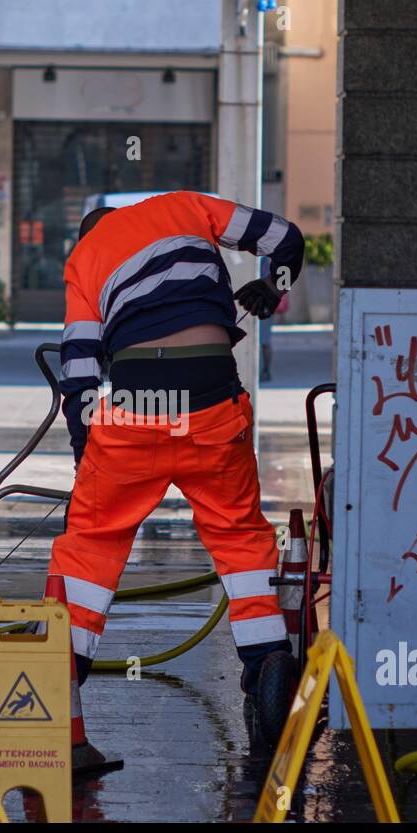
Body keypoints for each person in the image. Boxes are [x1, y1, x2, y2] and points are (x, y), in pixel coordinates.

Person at [50, 190, 304, 737]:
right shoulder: (184, 206)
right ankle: (266, 664)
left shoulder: (87, 259)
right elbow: (286, 238)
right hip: (213, 396)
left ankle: (59, 683)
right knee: (239, 534)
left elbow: (79, 373)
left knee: (94, 540)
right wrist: (273, 287)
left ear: (87, 235)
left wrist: (85, 457)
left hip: (138, 403)